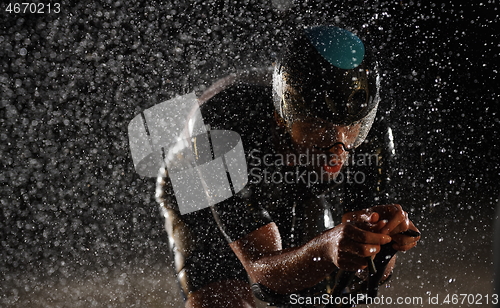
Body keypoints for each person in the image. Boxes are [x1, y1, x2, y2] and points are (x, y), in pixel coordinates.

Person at [156, 25, 420, 308]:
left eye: (354, 127)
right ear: (283, 115)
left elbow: (363, 272)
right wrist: (328, 248)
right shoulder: (221, 126)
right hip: (196, 187)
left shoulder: (371, 133)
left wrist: (381, 247)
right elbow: (261, 273)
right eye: (320, 128)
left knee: (327, 292)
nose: (338, 150)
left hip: (289, 177)